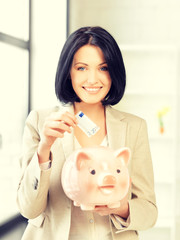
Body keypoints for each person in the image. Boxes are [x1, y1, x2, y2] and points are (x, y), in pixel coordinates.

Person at [17, 26, 158, 240]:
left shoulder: (135, 127)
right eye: (82, 68)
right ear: (68, 72)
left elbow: (149, 212)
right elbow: (28, 209)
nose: (93, 79)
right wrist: (44, 148)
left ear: (114, 72)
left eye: (103, 68)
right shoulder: (40, 122)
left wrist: (119, 207)